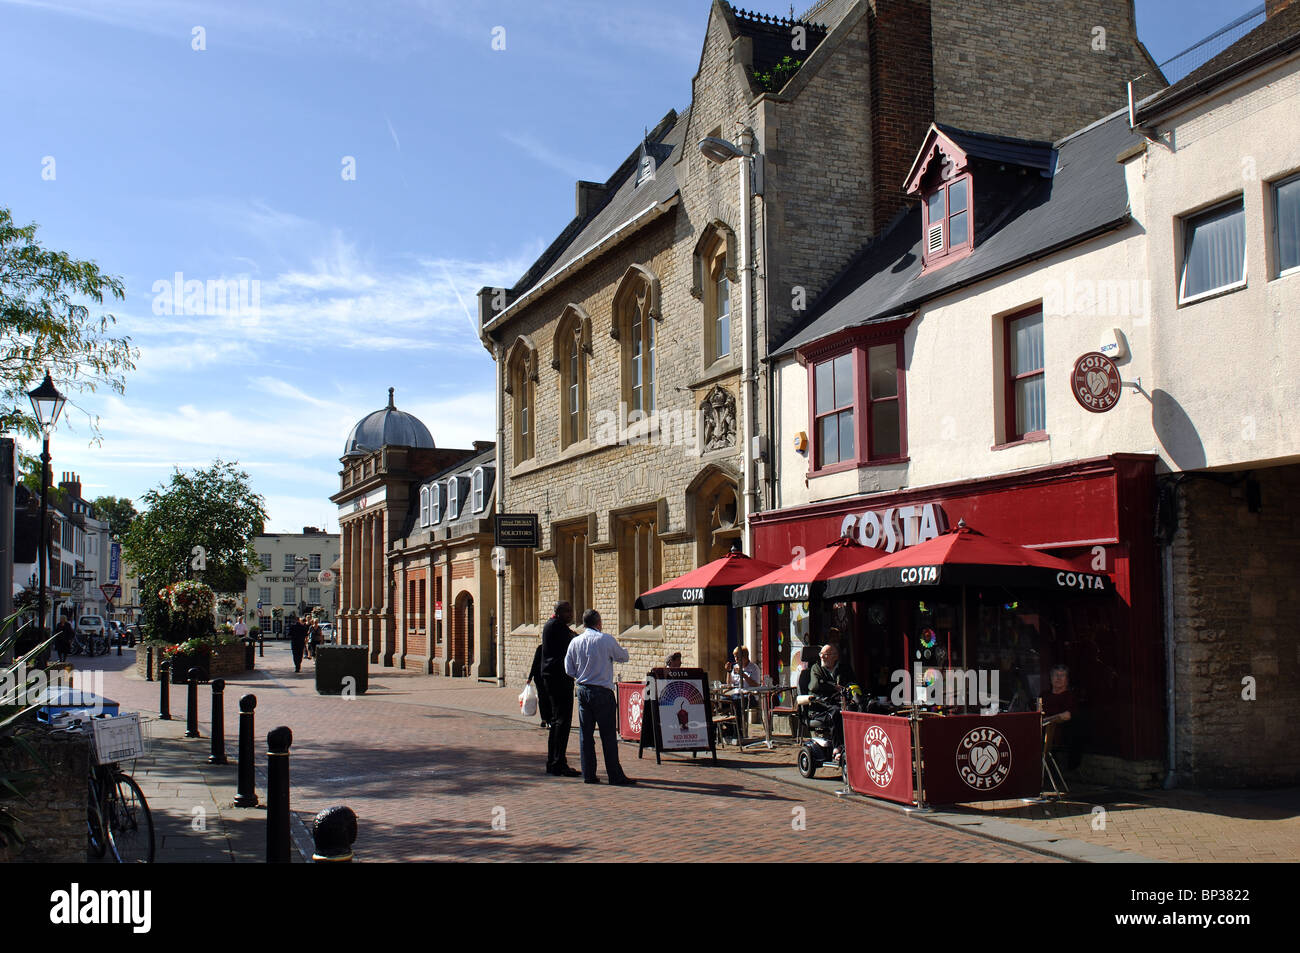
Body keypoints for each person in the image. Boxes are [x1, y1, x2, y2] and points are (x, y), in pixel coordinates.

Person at [564, 609, 634, 785]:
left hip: (583, 690)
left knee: (585, 735)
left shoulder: (575, 642)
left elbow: (568, 669)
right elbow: (623, 657)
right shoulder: (606, 639)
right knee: (608, 735)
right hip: (602, 691)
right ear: (598, 623)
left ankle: (589, 774)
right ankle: (614, 775)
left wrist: (582, 674)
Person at [540, 601, 581, 777]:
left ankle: (554, 761)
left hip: (553, 677)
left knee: (558, 721)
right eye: (568, 611)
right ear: (559, 612)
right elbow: (574, 640)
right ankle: (558, 763)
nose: (571, 614)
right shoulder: (556, 626)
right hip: (558, 678)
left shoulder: (555, 625)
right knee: (562, 721)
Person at [809, 643, 859, 756]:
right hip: (821, 707)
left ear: (835, 656)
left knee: (857, 710)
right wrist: (834, 686)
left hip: (842, 702)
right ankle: (838, 747)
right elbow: (814, 686)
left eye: (825, 654)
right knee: (836, 713)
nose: (822, 657)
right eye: (821, 654)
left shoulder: (844, 668)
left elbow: (852, 683)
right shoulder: (816, 668)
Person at [1041, 664, 1084, 769]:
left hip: (1057, 737)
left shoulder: (1070, 696)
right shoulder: (1044, 695)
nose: (1058, 678)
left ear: (1067, 680)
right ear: (1051, 678)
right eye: (1056, 675)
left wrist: (1046, 720)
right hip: (1038, 733)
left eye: (1062, 675)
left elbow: (1066, 716)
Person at [527, 641, 553, 729]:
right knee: (547, 698)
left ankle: (544, 719)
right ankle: (548, 719)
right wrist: (530, 676)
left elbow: (535, 662)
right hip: (545, 676)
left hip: (540, 677)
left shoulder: (540, 648)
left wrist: (530, 677)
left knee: (542, 698)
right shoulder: (548, 648)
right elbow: (535, 662)